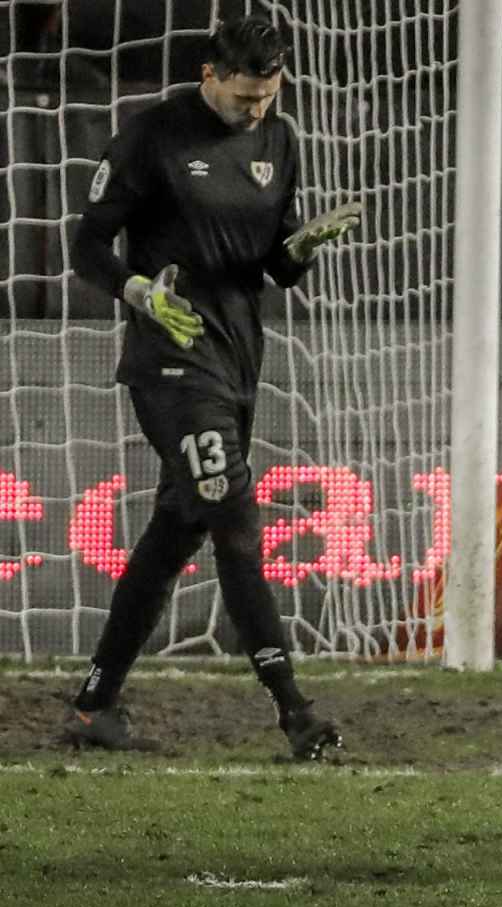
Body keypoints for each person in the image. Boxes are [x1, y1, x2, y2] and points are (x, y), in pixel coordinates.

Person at [65, 16, 361, 761]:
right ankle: (296, 712)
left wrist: (301, 246)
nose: (254, 110)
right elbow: (87, 245)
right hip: (170, 360)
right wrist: (138, 291)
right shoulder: (154, 134)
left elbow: (272, 264)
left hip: (237, 359)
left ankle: (95, 705)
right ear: (209, 77)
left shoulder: (279, 139)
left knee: (175, 535)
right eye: (241, 98)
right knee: (235, 518)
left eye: (266, 96)